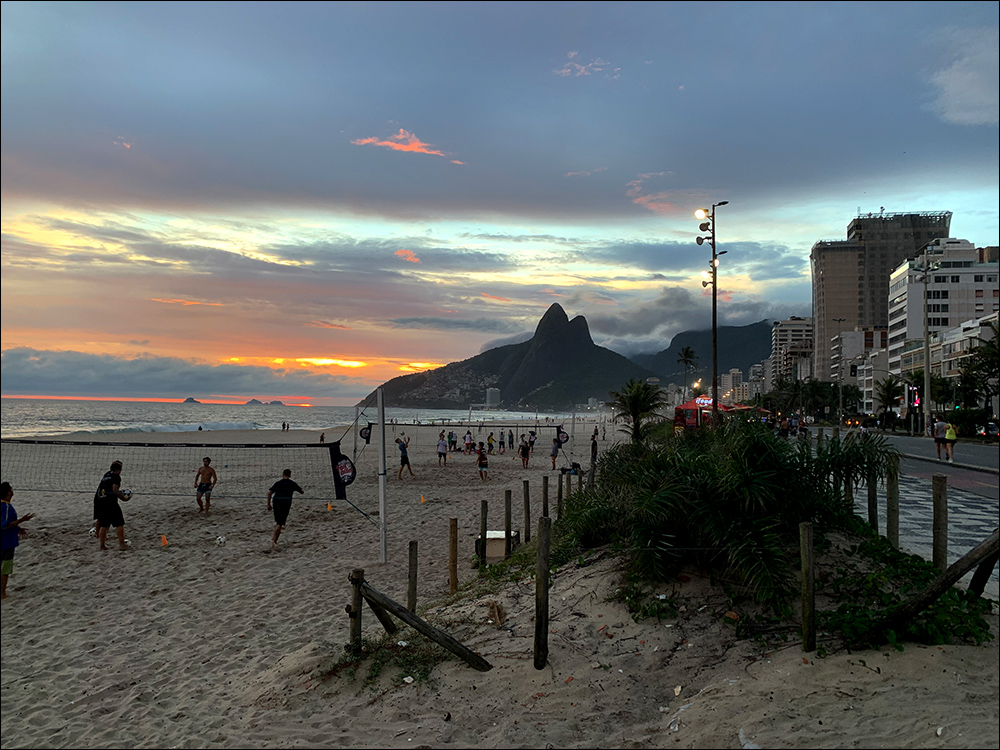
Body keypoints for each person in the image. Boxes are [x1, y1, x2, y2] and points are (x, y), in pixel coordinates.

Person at [1, 482, 35, 600]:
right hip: (5, 542)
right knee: (5, 569)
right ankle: (2, 594)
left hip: (5, 541)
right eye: (11, 488)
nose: (12, 490)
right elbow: (5, 525)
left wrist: (18, 528)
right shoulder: (6, 507)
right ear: (8, 492)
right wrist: (22, 520)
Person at [94, 460, 129, 551]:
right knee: (119, 523)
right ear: (119, 470)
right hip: (111, 502)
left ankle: (102, 546)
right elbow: (115, 490)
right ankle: (122, 545)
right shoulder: (116, 477)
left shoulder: (106, 475)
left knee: (104, 525)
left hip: (102, 501)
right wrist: (123, 498)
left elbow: (101, 488)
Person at [266, 468, 304, 550]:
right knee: (280, 523)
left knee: (278, 521)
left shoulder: (278, 483)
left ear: (283, 474)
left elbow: (269, 493)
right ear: (290, 475)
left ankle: (274, 539)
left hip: (276, 502)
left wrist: (268, 504)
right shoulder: (292, 483)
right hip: (286, 504)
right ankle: (274, 541)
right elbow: (302, 492)